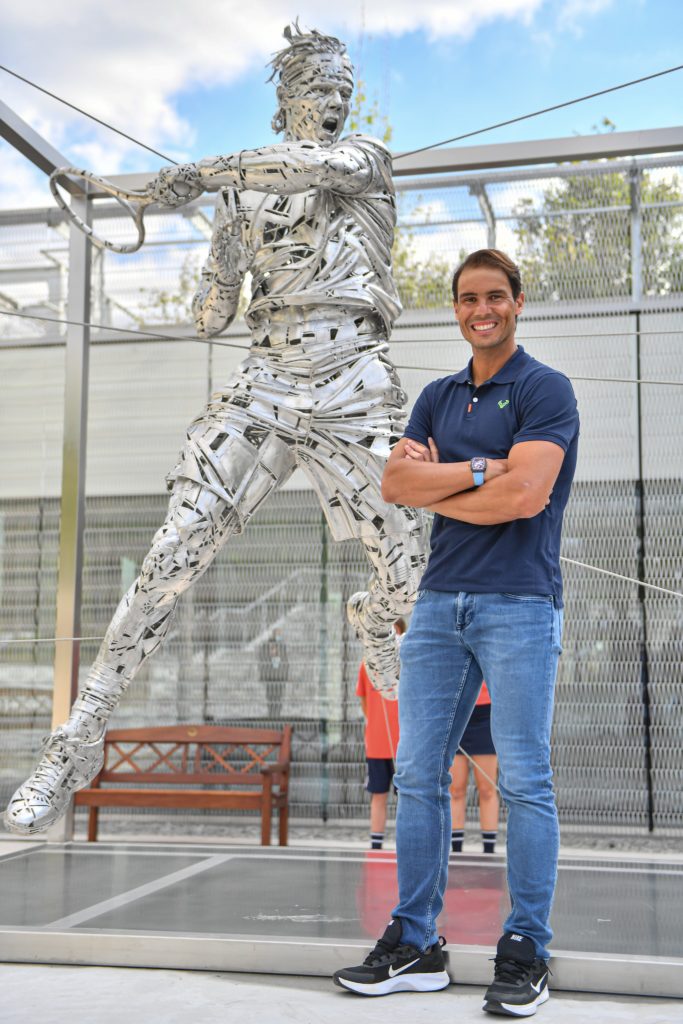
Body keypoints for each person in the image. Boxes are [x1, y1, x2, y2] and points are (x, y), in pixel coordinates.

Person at [4, 24, 426, 837]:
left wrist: (196, 174)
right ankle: (73, 741)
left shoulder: (362, 159)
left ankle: (376, 620)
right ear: (288, 96)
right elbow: (211, 318)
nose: (335, 103)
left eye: (342, 91)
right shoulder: (239, 197)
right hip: (266, 378)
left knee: (409, 561)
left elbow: (305, 169)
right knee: (172, 553)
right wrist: (223, 263)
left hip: (354, 377)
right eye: (320, 89)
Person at [334, 248, 579, 1017]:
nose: (482, 309)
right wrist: (480, 472)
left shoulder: (543, 389)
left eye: (495, 296)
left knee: (523, 779)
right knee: (415, 775)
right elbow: (395, 483)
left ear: (517, 302)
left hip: (519, 602)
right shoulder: (437, 398)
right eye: (469, 298)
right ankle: (415, 942)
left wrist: (444, 483)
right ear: (455, 308)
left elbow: (526, 496)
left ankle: (525, 948)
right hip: (437, 604)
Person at [357, 618, 404, 849]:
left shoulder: (405, 663)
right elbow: (364, 701)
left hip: (403, 744)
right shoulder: (367, 664)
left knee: (405, 797)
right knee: (378, 794)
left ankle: (405, 842)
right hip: (377, 743)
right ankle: (376, 843)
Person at [449, 681, 499, 855]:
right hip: (457, 707)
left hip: (486, 712)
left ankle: (489, 851)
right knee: (455, 789)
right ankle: (455, 851)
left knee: (487, 790)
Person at [258, 629, 289, 720]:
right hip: (271, 678)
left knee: (278, 697)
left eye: (280, 634)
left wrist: (285, 676)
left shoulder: (282, 647)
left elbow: (285, 663)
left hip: (280, 678)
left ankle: (276, 714)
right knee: (270, 697)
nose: (279, 635)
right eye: (278, 634)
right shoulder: (267, 647)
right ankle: (271, 714)